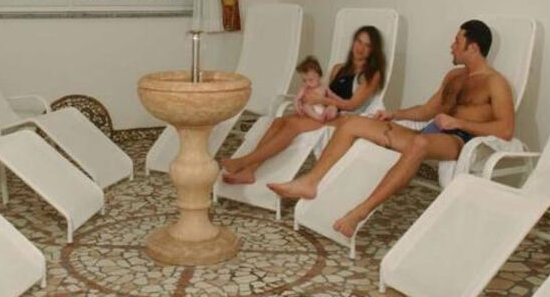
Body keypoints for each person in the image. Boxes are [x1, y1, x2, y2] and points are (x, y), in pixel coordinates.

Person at [268, 19, 513, 238]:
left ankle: (360, 213)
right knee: (352, 123)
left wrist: (459, 123)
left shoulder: (495, 82)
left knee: (419, 143)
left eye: (457, 41)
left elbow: (505, 129)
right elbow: (427, 110)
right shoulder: (454, 76)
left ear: (473, 47)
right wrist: (395, 114)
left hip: (458, 140)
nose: (452, 46)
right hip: (429, 132)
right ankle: (311, 182)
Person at [220, 26, 387, 185]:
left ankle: (243, 162)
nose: (360, 48)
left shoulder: (371, 75)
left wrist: (322, 101)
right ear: (353, 42)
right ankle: (249, 171)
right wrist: (308, 100)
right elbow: (326, 91)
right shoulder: (338, 68)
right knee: (278, 122)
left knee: (293, 125)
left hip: (347, 118)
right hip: (325, 111)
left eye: (367, 45)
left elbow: (352, 105)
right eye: (359, 41)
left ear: (373, 50)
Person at [293, 56, 338, 123]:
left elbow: (332, 96)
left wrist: (334, 104)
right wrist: (297, 108)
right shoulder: (304, 88)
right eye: (304, 80)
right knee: (305, 106)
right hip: (310, 109)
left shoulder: (324, 87)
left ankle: (326, 116)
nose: (307, 83)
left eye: (311, 80)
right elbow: (296, 99)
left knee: (333, 107)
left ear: (319, 77)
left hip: (322, 109)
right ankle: (319, 118)